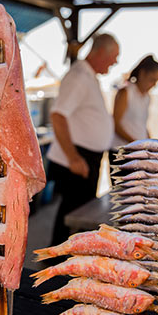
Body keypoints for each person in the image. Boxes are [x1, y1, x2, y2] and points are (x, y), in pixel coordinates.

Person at [47, 33, 120, 246]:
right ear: (99, 53)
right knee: (73, 214)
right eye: (114, 56)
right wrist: (74, 158)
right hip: (77, 156)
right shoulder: (79, 76)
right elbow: (58, 115)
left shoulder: (89, 76)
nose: (116, 62)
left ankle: (64, 257)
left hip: (85, 155)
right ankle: (59, 263)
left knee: (76, 211)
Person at [110, 55, 158, 167]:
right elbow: (116, 124)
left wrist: (151, 143)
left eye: (156, 82)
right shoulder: (126, 92)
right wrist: (135, 143)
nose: (154, 85)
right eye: (152, 80)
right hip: (121, 151)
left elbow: (141, 124)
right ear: (142, 73)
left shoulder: (147, 97)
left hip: (139, 153)